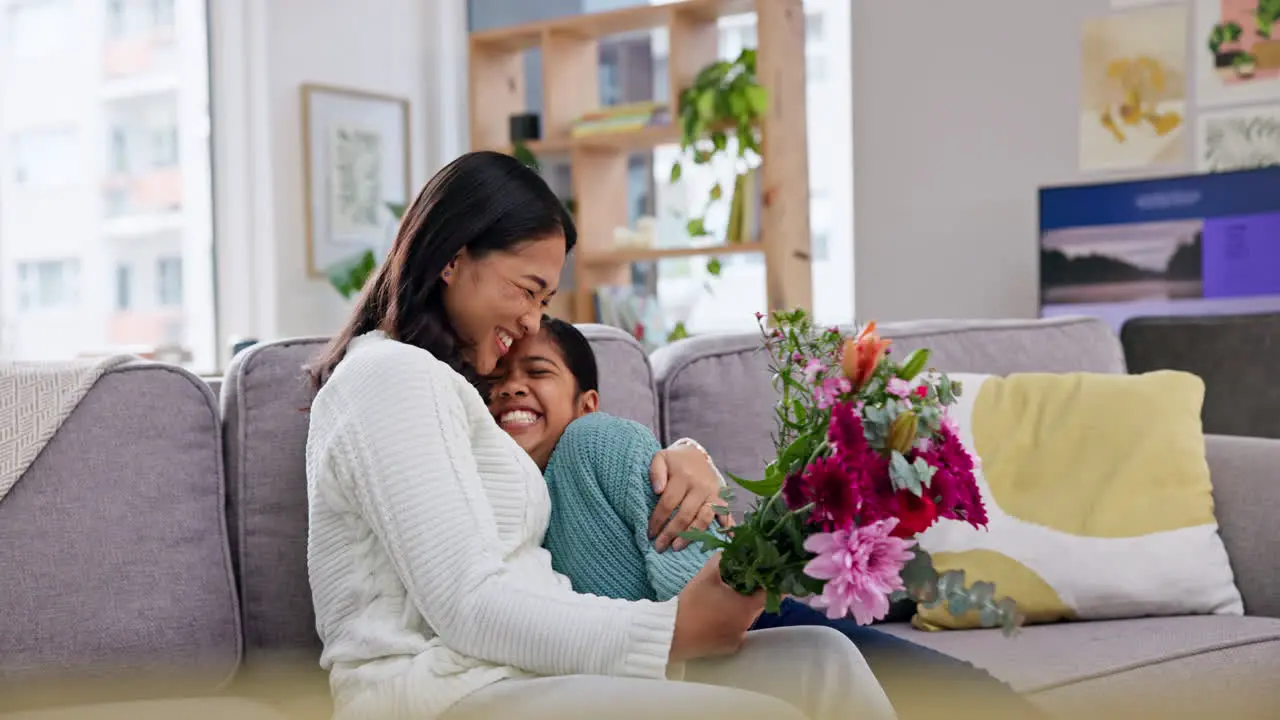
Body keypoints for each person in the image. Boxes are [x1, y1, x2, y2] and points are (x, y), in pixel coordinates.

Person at [303, 151, 896, 720]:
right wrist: (672, 634)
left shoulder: (460, 392)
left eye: (544, 299)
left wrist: (685, 456)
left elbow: (574, 452)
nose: (534, 320)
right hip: (436, 694)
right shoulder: (388, 377)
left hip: (524, 674)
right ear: (453, 259)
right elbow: (467, 606)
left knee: (827, 661)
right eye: (527, 289)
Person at [487, 317, 1051, 720]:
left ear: (587, 403)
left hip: (731, 618)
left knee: (947, 690)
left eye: (536, 371)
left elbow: (688, 563)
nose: (511, 385)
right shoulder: (496, 483)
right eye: (494, 380)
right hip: (705, 628)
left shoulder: (592, 440)